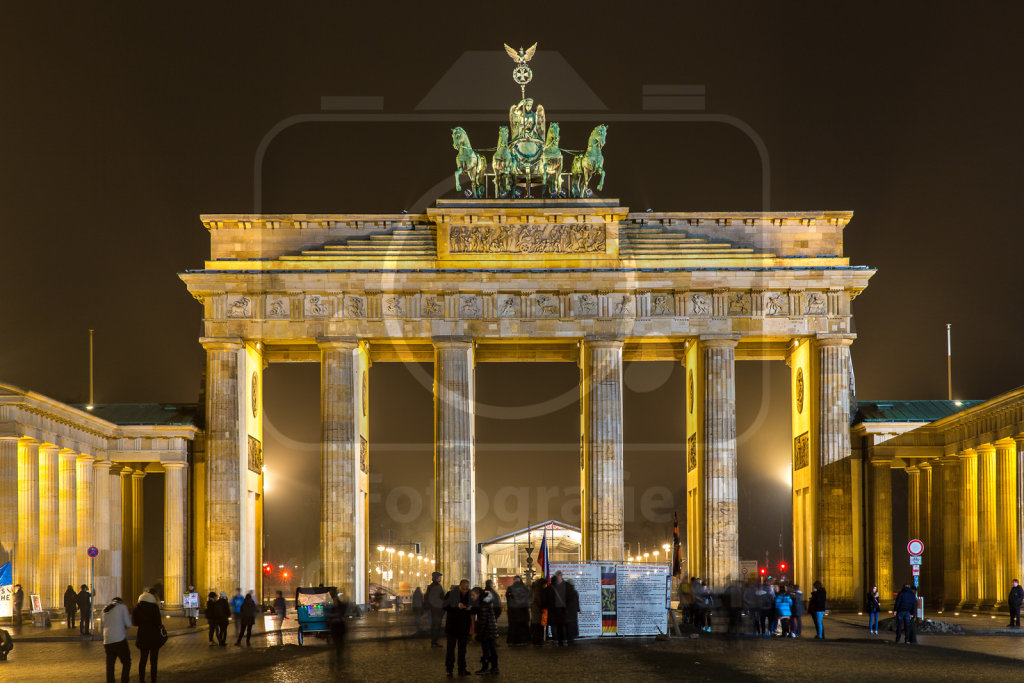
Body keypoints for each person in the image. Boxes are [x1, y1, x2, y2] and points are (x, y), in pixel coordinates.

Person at [443, 579, 473, 677]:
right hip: (452, 626)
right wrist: (456, 606)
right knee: (450, 649)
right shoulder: (450, 594)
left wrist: (470, 608)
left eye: (467, 589)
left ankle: (462, 669)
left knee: (462, 650)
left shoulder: (470, 595)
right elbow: (444, 606)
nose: (465, 590)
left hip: (464, 627)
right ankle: (449, 669)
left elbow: (476, 607)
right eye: (463, 589)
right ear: (459, 586)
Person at [133, 591, 164, 682]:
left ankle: (141, 680)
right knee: (154, 661)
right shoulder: (154, 607)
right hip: (154, 636)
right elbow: (159, 622)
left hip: (143, 636)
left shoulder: (137, 608)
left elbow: (135, 623)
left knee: (143, 660)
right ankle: (153, 680)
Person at [102, 596, 132, 683]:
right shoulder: (122, 607)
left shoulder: (105, 609)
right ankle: (124, 680)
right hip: (119, 639)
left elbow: (101, 628)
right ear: (120, 602)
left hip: (107, 640)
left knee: (110, 664)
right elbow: (128, 624)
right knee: (126, 662)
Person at [472, 586, 500, 675]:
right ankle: (494, 667)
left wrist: (479, 634)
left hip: (486, 630)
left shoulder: (483, 604)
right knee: (492, 649)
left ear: (478, 594)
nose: (472, 597)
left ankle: (485, 668)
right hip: (491, 629)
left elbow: (483, 620)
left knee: (486, 650)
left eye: (473, 595)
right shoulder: (487, 601)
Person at [505, 575, 531, 645]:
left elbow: (507, 597)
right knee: (523, 626)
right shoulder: (525, 588)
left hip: (513, 610)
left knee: (513, 626)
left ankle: (512, 641)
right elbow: (529, 597)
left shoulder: (510, 588)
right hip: (523, 610)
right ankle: (523, 641)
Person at [544, 571, 569, 645]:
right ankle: (564, 640)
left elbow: (545, 600)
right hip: (561, 610)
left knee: (554, 626)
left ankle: (556, 640)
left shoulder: (548, 589)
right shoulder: (564, 587)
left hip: (552, 610)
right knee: (562, 625)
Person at [425, 571, 445, 648]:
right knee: (436, 626)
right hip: (437, 609)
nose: (440, 579)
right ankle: (434, 642)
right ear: (436, 578)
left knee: (434, 625)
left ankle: (434, 642)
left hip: (433, 609)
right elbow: (438, 599)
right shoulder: (437, 587)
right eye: (440, 577)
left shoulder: (431, 586)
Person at [530, 577, 548, 645]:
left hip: (535, 610)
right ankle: (537, 640)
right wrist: (542, 608)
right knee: (538, 626)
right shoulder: (539, 591)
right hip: (538, 611)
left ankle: (536, 640)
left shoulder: (535, 589)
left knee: (536, 625)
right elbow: (539, 601)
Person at [565, 579, 580, 644]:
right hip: (573, 611)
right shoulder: (575, 592)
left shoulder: (565, 592)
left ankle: (569, 638)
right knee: (573, 625)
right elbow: (577, 601)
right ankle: (572, 639)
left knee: (568, 625)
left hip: (567, 611)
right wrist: (578, 609)